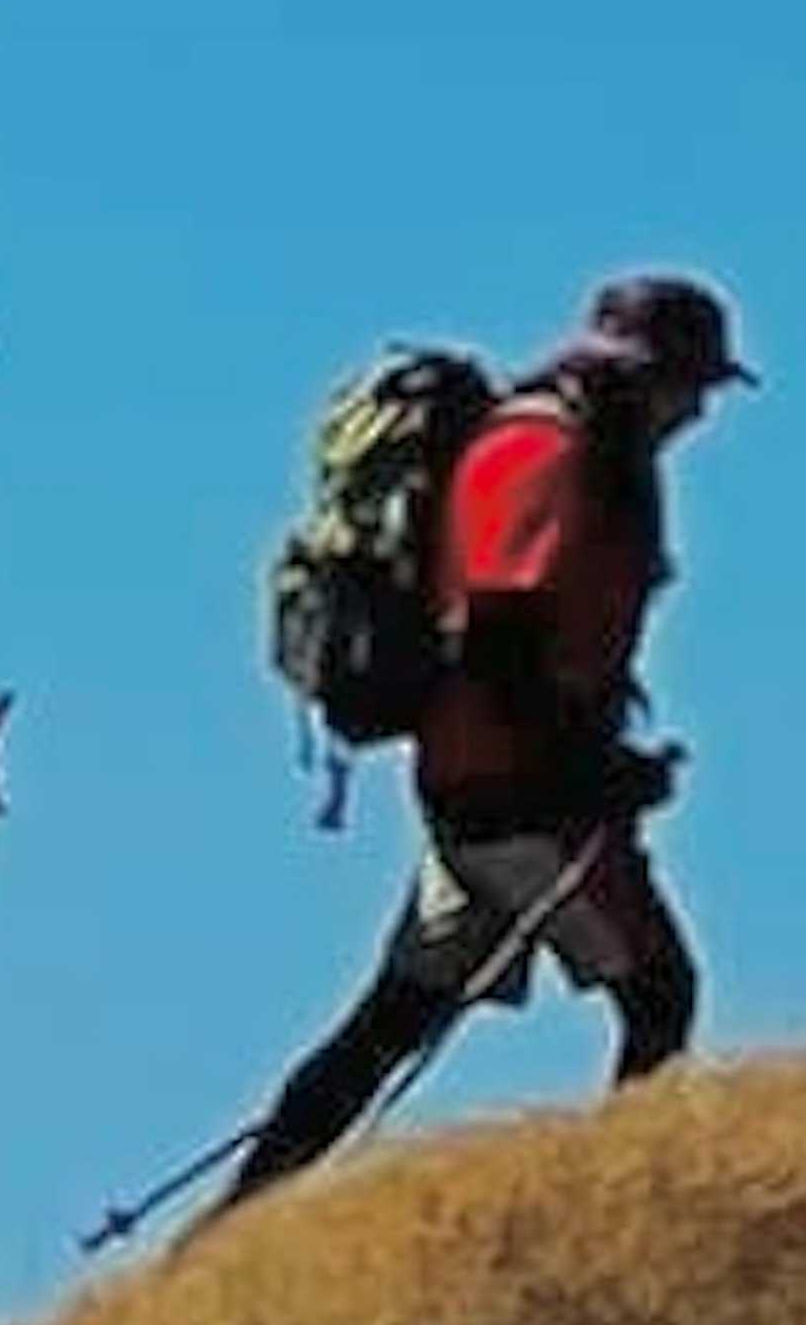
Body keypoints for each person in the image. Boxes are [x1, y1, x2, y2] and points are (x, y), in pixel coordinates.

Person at [224, 271, 753, 1204]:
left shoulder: (558, 443)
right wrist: (598, 771)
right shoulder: (550, 454)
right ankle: (629, 1217)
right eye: (694, 388)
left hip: (487, 787)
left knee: (391, 1023)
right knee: (660, 992)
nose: (699, 412)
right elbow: (500, 637)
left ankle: (220, 1240)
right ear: (649, 376)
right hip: (516, 795)